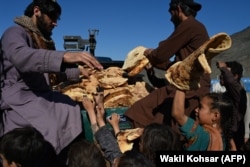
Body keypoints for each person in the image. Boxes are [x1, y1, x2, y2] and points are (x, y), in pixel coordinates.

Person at [0, 0, 103, 158]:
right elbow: (22, 57)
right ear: (37, 11)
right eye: (52, 17)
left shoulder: (41, 40)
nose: (55, 23)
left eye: (57, 19)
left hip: (40, 95)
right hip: (19, 98)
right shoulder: (14, 33)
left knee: (71, 107)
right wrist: (65, 55)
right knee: (52, 124)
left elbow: (51, 74)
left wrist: (80, 72)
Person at [124, 0, 210, 131]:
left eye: (171, 12)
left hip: (189, 89)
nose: (170, 18)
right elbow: (176, 64)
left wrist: (147, 52)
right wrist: (152, 64)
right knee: (144, 110)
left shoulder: (189, 25)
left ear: (179, 9)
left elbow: (161, 54)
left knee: (145, 115)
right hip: (184, 85)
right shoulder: (194, 26)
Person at [172, 89, 236, 150]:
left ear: (215, 116)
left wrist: (181, 86)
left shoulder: (202, 135)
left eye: (200, 107)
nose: (196, 109)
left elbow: (178, 114)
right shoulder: (228, 140)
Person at [216, 61, 247, 150]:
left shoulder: (239, 91)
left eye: (225, 73)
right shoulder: (227, 94)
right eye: (222, 73)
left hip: (234, 134)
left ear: (235, 76)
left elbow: (230, 81)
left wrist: (223, 68)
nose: (222, 76)